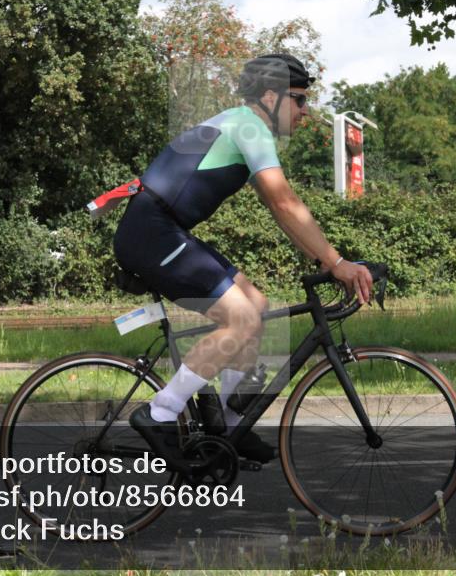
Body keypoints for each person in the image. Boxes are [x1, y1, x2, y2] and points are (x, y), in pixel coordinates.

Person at [113, 53, 373, 467]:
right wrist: (336, 262)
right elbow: (284, 201)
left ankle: (231, 425)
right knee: (243, 319)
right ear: (270, 96)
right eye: (300, 100)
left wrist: (325, 259)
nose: (305, 112)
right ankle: (160, 412)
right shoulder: (249, 126)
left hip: (163, 230)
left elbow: (281, 211)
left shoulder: (239, 121)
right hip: (151, 232)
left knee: (257, 305)